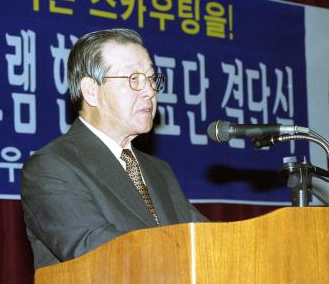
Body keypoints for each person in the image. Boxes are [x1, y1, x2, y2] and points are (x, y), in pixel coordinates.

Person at [21, 28, 209, 269]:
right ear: (91, 91)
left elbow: (206, 242)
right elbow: (99, 253)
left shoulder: (159, 171)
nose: (150, 91)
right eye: (133, 79)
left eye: (151, 78)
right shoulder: (51, 167)